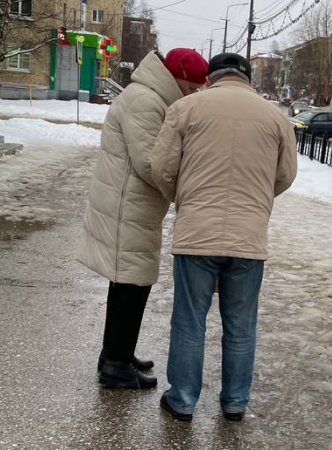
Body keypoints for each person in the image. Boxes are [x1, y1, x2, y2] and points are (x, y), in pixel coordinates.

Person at [151, 53, 297, 422]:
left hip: (196, 233)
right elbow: (285, 175)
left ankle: (182, 400)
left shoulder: (186, 108)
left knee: (189, 321)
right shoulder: (276, 117)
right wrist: (255, 202)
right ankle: (235, 401)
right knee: (241, 324)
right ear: (246, 78)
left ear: (210, 78)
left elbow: (162, 168)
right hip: (249, 239)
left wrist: (186, 198)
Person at [76, 48, 208, 389]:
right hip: (127, 207)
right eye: (191, 87)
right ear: (177, 77)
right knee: (132, 284)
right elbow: (151, 164)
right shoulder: (146, 101)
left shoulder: (150, 97)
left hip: (133, 206)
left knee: (127, 283)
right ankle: (116, 365)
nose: (192, 94)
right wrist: (186, 187)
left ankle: (116, 353)